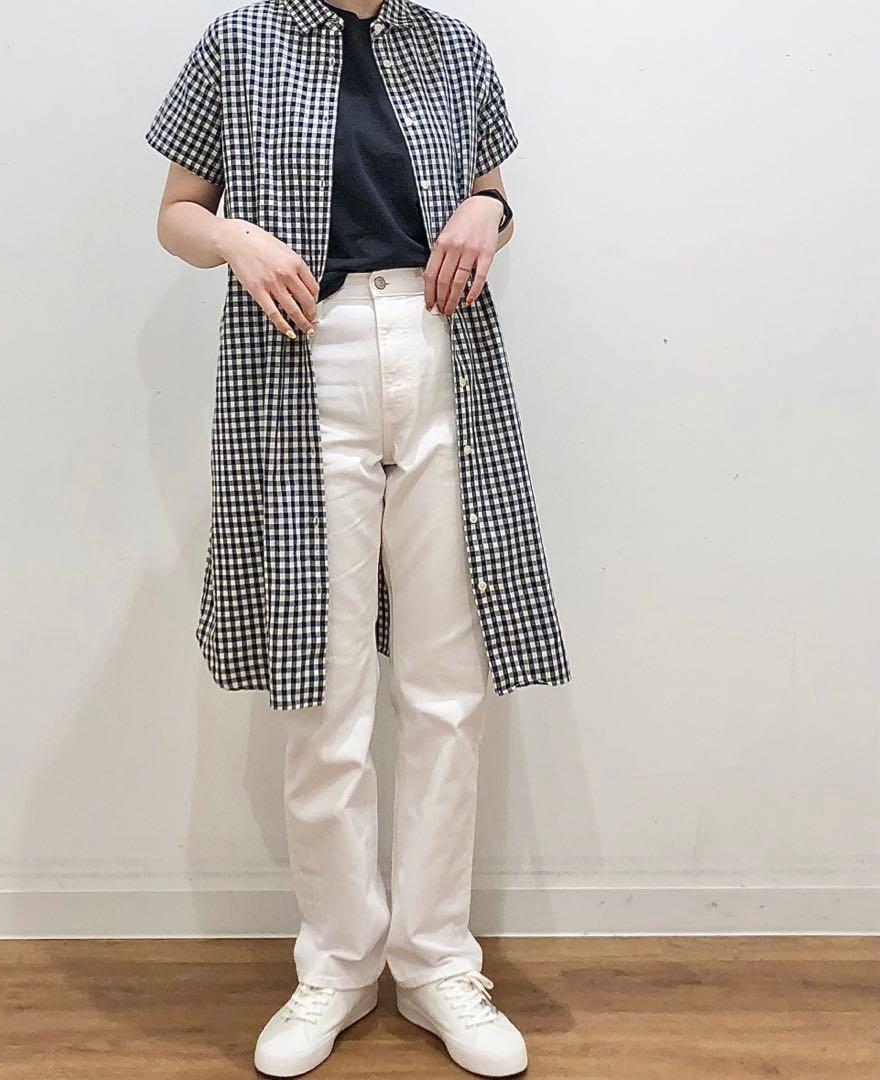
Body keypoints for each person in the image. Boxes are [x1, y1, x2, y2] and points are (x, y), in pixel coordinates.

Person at [144, 0, 571, 1074]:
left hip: (439, 348)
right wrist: (236, 237)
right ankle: (336, 962)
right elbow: (176, 215)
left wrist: (486, 209)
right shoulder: (242, 41)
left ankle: (435, 964)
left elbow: (492, 197)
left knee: (447, 688)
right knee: (323, 690)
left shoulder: (453, 45)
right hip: (304, 354)